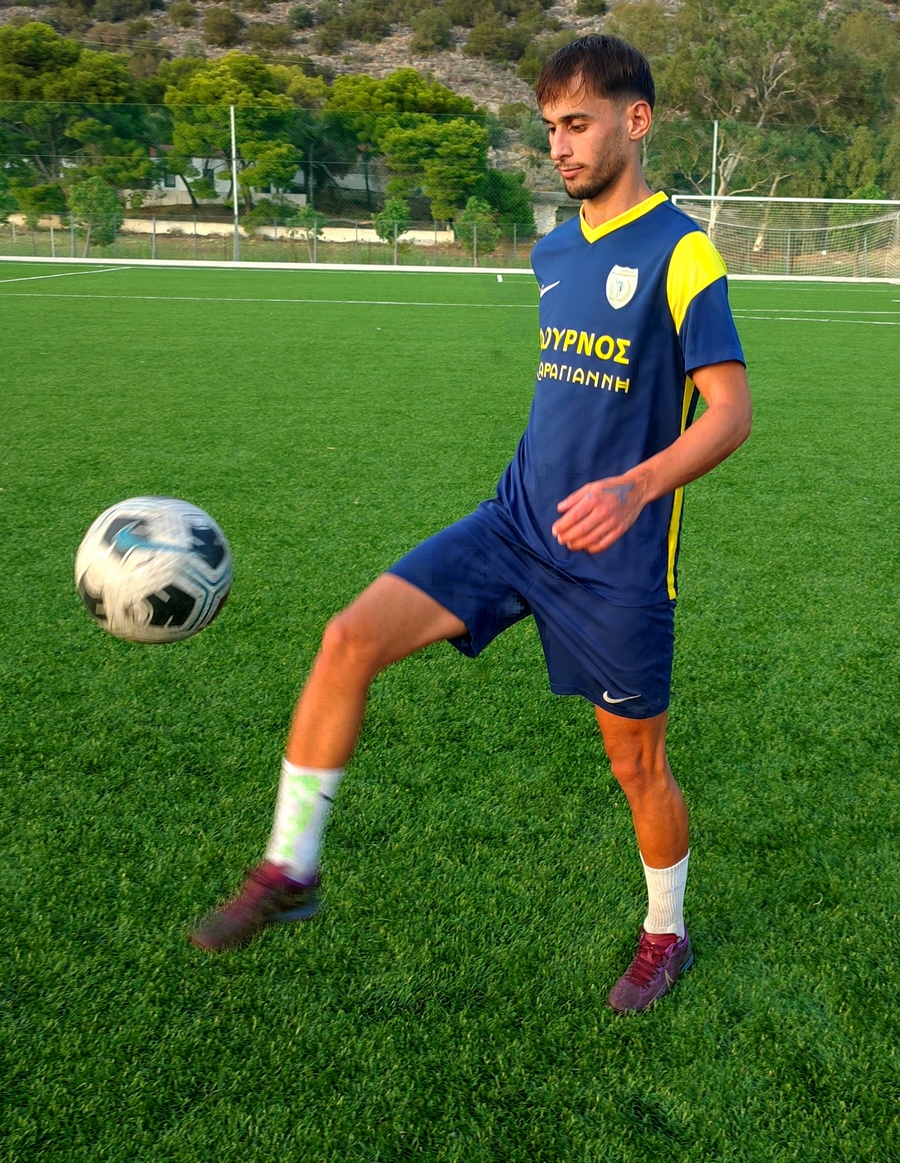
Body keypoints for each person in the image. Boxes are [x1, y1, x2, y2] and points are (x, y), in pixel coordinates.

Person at [189, 34, 751, 1015]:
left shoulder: (681, 249)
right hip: (513, 524)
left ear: (636, 120)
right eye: (550, 128)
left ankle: (667, 933)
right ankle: (291, 864)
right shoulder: (553, 251)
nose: (560, 146)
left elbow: (731, 412)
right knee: (348, 637)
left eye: (577, 123)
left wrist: (634, 488)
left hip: (615, 562)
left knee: (637, 764)